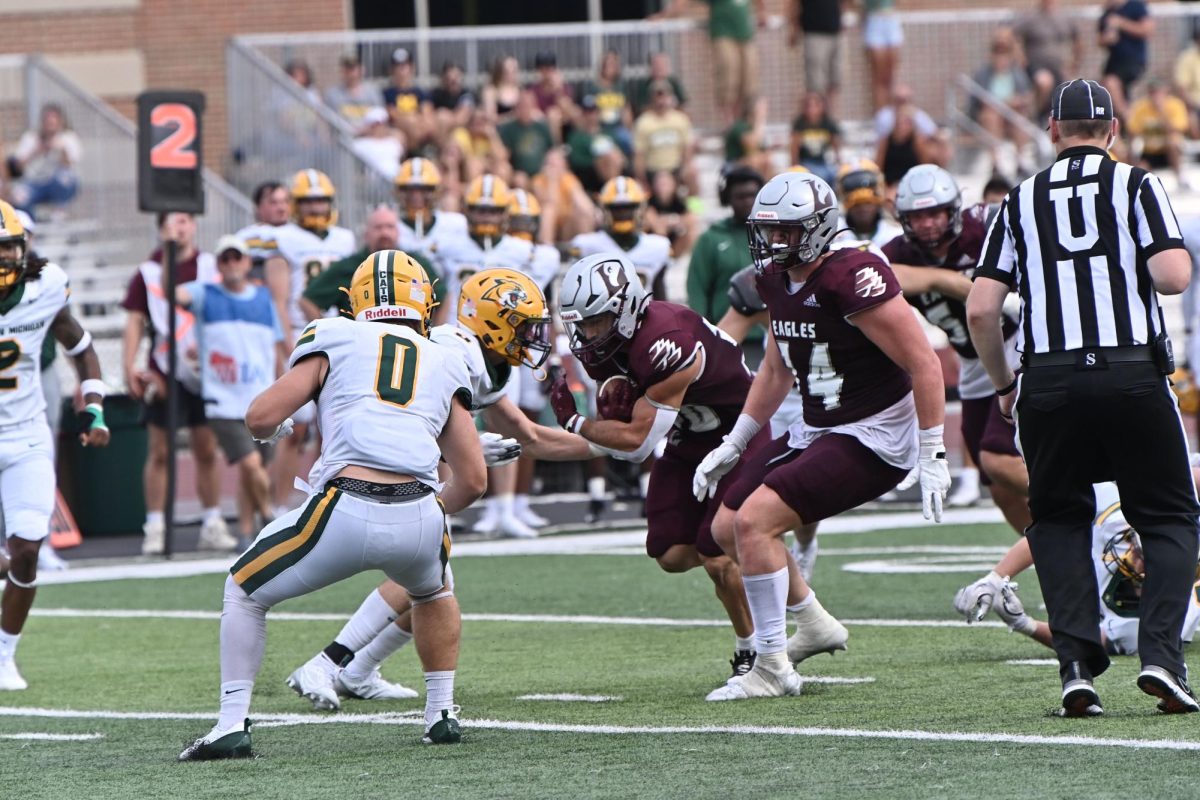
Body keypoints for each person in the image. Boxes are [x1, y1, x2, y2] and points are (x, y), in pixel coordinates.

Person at [177, 251, 487, 759]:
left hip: (344, 505)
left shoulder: (335, 334)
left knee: (243, 590)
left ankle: (231, 723)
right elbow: (473, 480)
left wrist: (277, 425)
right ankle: (441, 713)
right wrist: (428, 515)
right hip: (419, 512)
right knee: (434, 591)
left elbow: (258, 417)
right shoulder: (445, 357)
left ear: (356, 299)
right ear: (424, 302)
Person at [966, 78, 1200, 716]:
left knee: (1060, 520)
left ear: (1052, 130)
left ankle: (1075, 666)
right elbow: (1173, 276)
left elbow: (982, 309)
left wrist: (1005, 387)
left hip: (1048, 380)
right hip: (1130, 373)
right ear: (1113, 131)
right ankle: (1160, 657)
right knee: (1170, 517)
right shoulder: (1137, 185)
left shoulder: (1018, 198)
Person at [285, 267, 600, 711]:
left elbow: (530, 437)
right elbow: (401, 420)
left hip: (406, 466)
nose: (533, 336)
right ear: (494, 320)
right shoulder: (456, 353)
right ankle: (330, 662)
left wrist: (617, 446)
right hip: (373, 466)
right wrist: (455, 452)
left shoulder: (484, 363)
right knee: (423, 566)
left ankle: (354, 669)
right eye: (524, 326)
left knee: (433, 579)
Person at [694, 171, 949, 701]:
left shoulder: (851, 274)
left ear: (816, 228)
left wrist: (931, 449)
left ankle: (770, 666)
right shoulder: (770, 279)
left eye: (786, 231)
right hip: (818, 424)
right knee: (724, 530)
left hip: (875, 431)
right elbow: (775, 370)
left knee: (755, 522)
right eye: (767, 231)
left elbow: (924, 362)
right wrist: (736, 442)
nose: (773, 242)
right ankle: (812, 622)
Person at [550, 252, 769, 685]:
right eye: (582, 324)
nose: (588, 334)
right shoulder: (608, 346)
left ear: (627, 307)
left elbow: (635, 444)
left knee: (714, 551)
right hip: (691, 433)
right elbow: (630, 424)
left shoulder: (665, 339)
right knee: (669, 554)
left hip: (738, 432)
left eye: (597, 321)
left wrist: (576, 422)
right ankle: (762, 560)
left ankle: (754, 648)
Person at [0, 200, 109, 690]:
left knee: (26, 551)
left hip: (25, 435)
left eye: (9, 249)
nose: (4, 260)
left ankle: (3, 654)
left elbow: (81, 347)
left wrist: (95, 407)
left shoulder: (45, 287)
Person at [885, 165, 1028, 533]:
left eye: (935, 213)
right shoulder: (900, 253)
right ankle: (1056, 566)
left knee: (998, 458)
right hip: (974, 363)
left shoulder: (985, 225)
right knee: (998, 487)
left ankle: (1100, 508)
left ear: (953, 210)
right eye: (918, 216)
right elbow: (877, 272)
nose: (929, 223)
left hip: (1021, 345)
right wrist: (944, 280)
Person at [954, 482, 1200, 655]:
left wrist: (1024, 624)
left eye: (1145, 559)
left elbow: (1096, 641)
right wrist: (995, 577)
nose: (1134, 556)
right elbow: (1051, 530)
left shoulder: (1172, 616)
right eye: (1137, 545)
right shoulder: (1115, 513)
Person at [121, 212, 233, 555]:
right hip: (164, 367)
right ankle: (154, 525)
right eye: (172, 222)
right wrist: (130, 365)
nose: (179, 228)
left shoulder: (210, 266)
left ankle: (212, 521)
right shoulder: (148, 272)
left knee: (205, 449)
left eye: (185, 221)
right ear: (160, 230)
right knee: (159, 451)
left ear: (194, 225)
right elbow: (136, 320)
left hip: (203, 369)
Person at [176, 236, 287, 546]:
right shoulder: (205, 294)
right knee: (251, 465)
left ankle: (248, 533)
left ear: (247, 262)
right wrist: (173, 248)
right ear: (218, 265)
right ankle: (270, 518)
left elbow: (275, 349)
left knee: (255, 469)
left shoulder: (264, 299)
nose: (231, 264)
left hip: (260, 397)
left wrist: (283, 391)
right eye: (225, 259)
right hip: (223, 400)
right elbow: (176, 295)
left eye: (236, 258)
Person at [269, 170, 357, 512]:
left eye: (321, 200)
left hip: (340, 337)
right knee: (297, 425)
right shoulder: (284, 239)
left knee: (334, 424)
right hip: (301, 334)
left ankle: (326, 499)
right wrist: (284, 344)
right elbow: (278, 299)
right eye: (308, 201)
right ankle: (279, 507)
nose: (316, 207)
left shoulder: (345, 239)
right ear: (295, 205)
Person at [302, 205, 442, 322]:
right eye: (378, 227)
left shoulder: (415, 264)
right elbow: (307, 301)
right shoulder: (349, 266)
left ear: (398, 232)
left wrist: (431, 335)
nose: (384, 233)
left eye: (389, 227)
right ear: (366, 233)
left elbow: (443, 295)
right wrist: (328, 338)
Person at [653, 0, 765, 126]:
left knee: (749, 84)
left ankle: (745, 124)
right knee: (728, 80)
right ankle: (730, 124)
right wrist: (664, 16)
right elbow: (682, 2)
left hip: (745, 35)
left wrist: (762, 13)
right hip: (724, 34)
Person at [685, 165, 764, 331]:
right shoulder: (711, 239)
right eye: (740, 196)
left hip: (772, 335)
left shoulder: (776, 235)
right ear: (727, 198)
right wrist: (702, 332)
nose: (748, 201)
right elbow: (697, 290)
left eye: (752, 195)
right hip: (726, 334)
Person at [571, 176, 672, 301]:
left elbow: (660, 296)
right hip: (604, 318)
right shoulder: (587, 246)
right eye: (616, 208)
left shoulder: (657, 246)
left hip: (644, 317)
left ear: (640, 209)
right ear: (605, 209)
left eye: (629, 207)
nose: (623, 213)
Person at [970, 34, 1035, 177]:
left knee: (1019, 120)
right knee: (990, 116)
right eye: (998, 54)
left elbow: (1027, 95)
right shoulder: (983, 74)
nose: (1001, 58)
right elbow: (978, 99)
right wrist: (1004, 103)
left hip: (1010, 115)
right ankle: (995, 164)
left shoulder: (1016, 73)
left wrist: (1016, 102)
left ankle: (1020, 162)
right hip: (990, 115)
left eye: (1004, 54)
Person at [8, 104, 82, 215]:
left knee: (65, 179)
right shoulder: (31, 137)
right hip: (33, 184)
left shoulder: (68, 138)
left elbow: (70, 164)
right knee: (18, 195)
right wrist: (35, 152)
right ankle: (28, 223)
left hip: (55, 184)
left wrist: (61, 150)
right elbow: (17, 166)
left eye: (53, 121)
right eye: (47, 121)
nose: (50, 125)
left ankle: (59, 212)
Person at [392, 157, 468, 261]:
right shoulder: (391, 227)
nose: (416, 196)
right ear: (398, 192)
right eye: (409, 190)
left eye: (424, 190)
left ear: (436, 191)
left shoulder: (456, 224)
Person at [1013, 0, 1082, 115]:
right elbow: (1014, 37)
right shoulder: (1031, 18)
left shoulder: (1064, 19)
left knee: (1074, 87)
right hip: (1037, 65)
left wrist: (1074, 63)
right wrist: (1021, 58)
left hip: (1059, 66)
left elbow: (1078, 41)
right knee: (1045, 81)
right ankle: (1036, 115)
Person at [633, 81, 697, 195]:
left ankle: (695, 208)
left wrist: (686, 167)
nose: (660, 101)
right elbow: (639, 155)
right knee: (660, 184)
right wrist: (641, 179)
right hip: (653, 170)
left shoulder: (681, 119)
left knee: (692, 173)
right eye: (657, 97)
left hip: (675, 168)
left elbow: (687, 148)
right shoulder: (643, 122)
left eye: (664, 97)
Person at [1126, 79, 1190, 188]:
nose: (1155, 96)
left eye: (1158, 92)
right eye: (1152, 92)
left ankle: (1180, 178)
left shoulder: (1175, 105)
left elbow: (1177, 129)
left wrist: (1161, 111)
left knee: (1172, 144)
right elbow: (1132, 131)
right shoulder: (1141, 107)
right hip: (1150, 151)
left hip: (1169, 150)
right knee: (1141, 166)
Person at [1099, 0, 1152, 121]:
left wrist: (1121, 23)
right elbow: (1100, 40)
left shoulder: (1136, 6)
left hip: (1133, 60)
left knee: (1111, 83)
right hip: (1114, 62)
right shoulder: (1107, 13)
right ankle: (1121, 127)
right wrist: (1107, 39)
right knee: (1107, 91)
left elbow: (1147, 29)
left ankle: (1132, 122)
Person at [789, 0, 843, 115]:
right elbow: (794, 4)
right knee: (815, 84)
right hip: (814, 33)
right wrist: (794, 29)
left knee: (835, 81)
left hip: (835, 32)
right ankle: (816, 120)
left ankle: (831, 120)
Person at [833, 159, 900, 248]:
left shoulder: (894, 235)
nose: (863, 209)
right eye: (857, 205)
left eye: (868, 203)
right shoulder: (833, 236)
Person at [236, 182, 290, 285]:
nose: (281, 208)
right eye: (273, 202)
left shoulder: (300, 235)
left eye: (285, 202)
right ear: (258, 206)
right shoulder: (244, 237)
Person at [381, 48, 433, 154]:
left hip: (418, 129)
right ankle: (416, 153)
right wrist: (411, 119)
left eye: (405, 66)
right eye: (398, 66)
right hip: (399, 129)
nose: (402, 70)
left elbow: (427, 114)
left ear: (411, 68)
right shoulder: (387, 93)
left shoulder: (420, 92)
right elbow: (393, 114)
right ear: (392, 70)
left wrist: (414, 120)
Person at [498, 90, 555, 180]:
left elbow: (552, 151)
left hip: (540, 172)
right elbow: (504, 155)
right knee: (519, 179)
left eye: (527, 105)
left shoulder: (542, 127)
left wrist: (548, 166)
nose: (524, 109)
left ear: (533, 106)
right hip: (519, 173)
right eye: (521, 106)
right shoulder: (509, 129)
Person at [790, 91, 842, 185]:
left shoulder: (828, 123)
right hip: (805, 162)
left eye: (816, 105)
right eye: (809, 106)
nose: (812, 109)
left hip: (822, 161)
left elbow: (835, 144)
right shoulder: (800, 123)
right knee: (820, 176)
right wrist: (795, 167)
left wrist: (839, 163)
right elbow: (794, 148)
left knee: (835, 175)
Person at [860, 0, 904, 111]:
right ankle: (881, 115)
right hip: (874, 18)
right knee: (879, 76)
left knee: (891, 76)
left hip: (890, 17)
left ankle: (893, 115)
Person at [645, 170, 699, 256]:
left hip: (675, 242)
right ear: (654, 186)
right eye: (660, 184)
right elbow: (654, 222)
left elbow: (691, 219)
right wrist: (672, 221)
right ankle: (663, 257)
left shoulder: (679, 201)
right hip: (654, 242)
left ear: (674, 185)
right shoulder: (649, 202)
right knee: (660, 230)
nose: (663, 188)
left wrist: (670, 220)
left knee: (692, 232)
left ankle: (685, 258)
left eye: (666, 184)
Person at [323, 53, 384, 127]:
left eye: (352, 69)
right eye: (346, 69)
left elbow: (380, 119)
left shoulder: (372, 92)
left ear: (361, 70)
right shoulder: (332, 94)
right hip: (343, 135)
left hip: (368, 136)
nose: (350, 74)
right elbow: (327, 121)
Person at [351, 107, 404, 181]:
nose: (380, 127)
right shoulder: (359, 144)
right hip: (374, 186)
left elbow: (400, 136)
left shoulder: (393, 142)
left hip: (396, 180)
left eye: (383, 123)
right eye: (376, 124)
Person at [482, 55, 522, 122]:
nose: (512, 74)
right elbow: (490, 117)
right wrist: (512, 117)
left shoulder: (520, 90)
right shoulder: (492, 91)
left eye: (515, 70)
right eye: (508, 71)